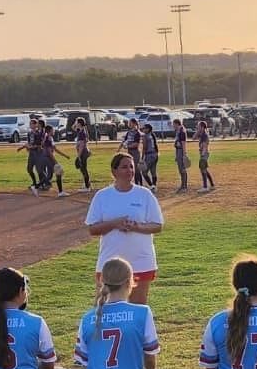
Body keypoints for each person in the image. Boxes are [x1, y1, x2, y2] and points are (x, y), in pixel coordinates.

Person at [84, 151, 165, 304]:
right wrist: (114, 224)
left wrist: (136, 227)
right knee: (105, 308)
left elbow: (157, 225)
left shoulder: (144, 195)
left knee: (137, 308)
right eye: (124, 167)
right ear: (114, 171)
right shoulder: (102, 196)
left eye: (131, 167)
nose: (129, 170)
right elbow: (92, 229)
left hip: (140, 262)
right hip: (110, 264)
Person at [72, 117, 94, 191]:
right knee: (83, 169)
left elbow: (82, 146)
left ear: (79, 123)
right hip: (83, 152)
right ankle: (87, 184)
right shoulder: (81, 130)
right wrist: (77, 122)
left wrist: (78, 156)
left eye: (77, 122)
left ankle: (87, 187)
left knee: (83, 169)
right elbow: (73, 127)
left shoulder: (82, 133)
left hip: (83, 153)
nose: (76, 124)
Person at [195, 117, 215, 191]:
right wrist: (197, 131)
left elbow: (205, 145)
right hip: (203, 153)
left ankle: (205, 187)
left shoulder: (204, 135)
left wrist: (203, 155)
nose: (197, 127)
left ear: (202, 127)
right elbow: (193, 138)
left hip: (204, 153)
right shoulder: (201, 134)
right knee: (205, 170)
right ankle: (212, 185)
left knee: (203, 170)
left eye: (199, 126)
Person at [172, 126, 191, 193]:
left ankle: (184, 186)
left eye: (173, 124)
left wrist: (184, 154)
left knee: (182, 169)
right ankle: (182, 185)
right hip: (178, 151)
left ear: (176, 124)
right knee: (180, 169)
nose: (173, 126)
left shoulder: (182, 132)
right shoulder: (178, 132)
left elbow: (183, 144)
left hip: (181, 151)